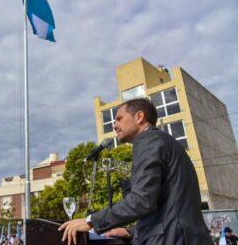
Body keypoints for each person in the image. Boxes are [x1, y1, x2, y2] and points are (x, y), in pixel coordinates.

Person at [59, 98, 213, 245]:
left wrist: (90, 221)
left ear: (139, 116)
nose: (114, 125)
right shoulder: (164, 141)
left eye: (119, 118)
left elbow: (141, 200)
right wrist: (131, 232)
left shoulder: (148, 140)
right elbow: (165, 206)